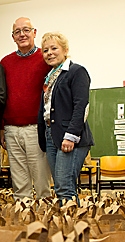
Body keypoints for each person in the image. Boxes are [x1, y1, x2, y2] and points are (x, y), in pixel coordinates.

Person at [37, 32, 94, 202]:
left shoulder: (76, 71)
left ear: (65, 50)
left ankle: (75, 227)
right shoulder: (51, 76)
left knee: (65, 186)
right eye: (45, 50)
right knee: (61, 187)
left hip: (70, 136)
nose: (49, 53)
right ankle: (66, 225)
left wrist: (71, 136)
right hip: (51, 135)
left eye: (54, 48)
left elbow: (81, 106)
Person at [0, 17, 52, 200]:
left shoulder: (45, 58)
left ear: (34, 32)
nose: (22, 34)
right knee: (19, 182)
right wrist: (2, 128)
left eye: (26, 30)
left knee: (41, 180)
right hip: (11, 129)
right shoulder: (5, 63)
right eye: (17, 32)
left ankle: (46, 221)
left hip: (36, 129)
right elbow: (2, 97)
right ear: (13, 37)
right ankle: (23, 219)